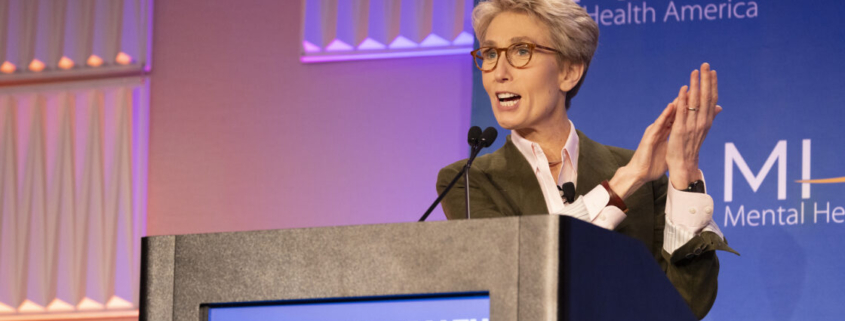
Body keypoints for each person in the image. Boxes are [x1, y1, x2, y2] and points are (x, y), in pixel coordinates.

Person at [436, 0, 738, 319]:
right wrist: (625, 182)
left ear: (569, 71)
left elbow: (688, 303)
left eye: (521, 52)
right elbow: (522, 277)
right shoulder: (468, 181)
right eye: (491, 54)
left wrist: (684, 173)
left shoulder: (648, 182)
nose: (499, 72)